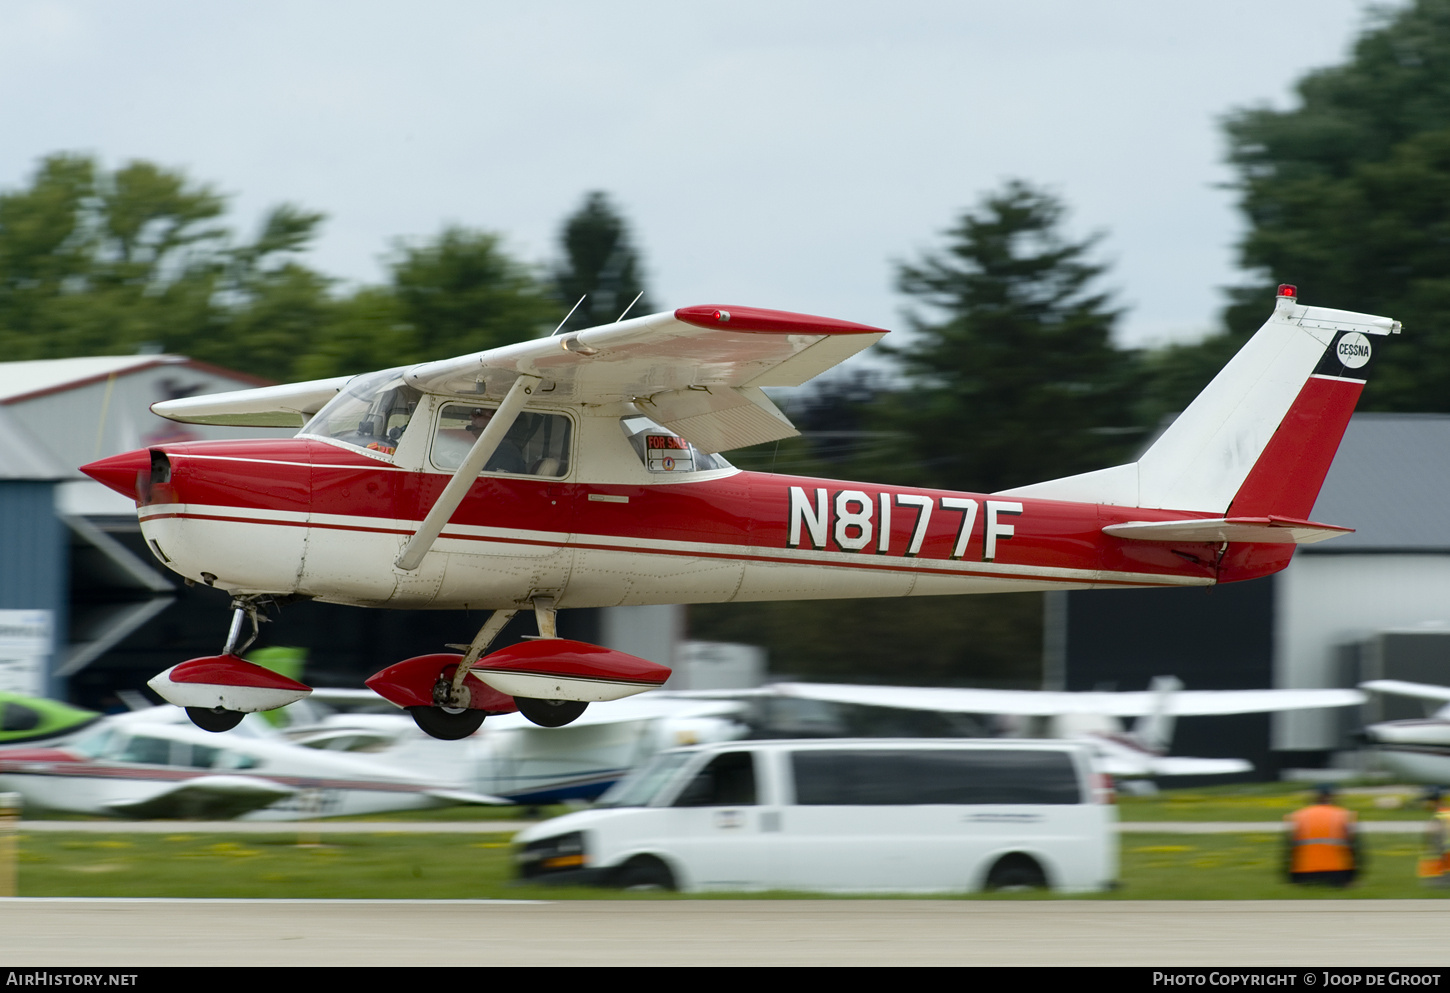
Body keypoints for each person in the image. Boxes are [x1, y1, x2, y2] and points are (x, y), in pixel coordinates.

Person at [1284, 783, 1360, 887]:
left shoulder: (1298, 816)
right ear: (1333, 797)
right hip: (1338, 874)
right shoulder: (1344, 815)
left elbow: (1288, 852)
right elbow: (1356, 850)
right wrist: (1352, 879)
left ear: (1313, 797)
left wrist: (1291, 879)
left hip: (1304, 875)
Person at [1419, 786, 1450, 887]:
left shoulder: (1442, 815)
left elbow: (1441, 839)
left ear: (1433, 802)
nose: (1424, 805)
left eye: (1426, 802)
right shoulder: (1444, 812)